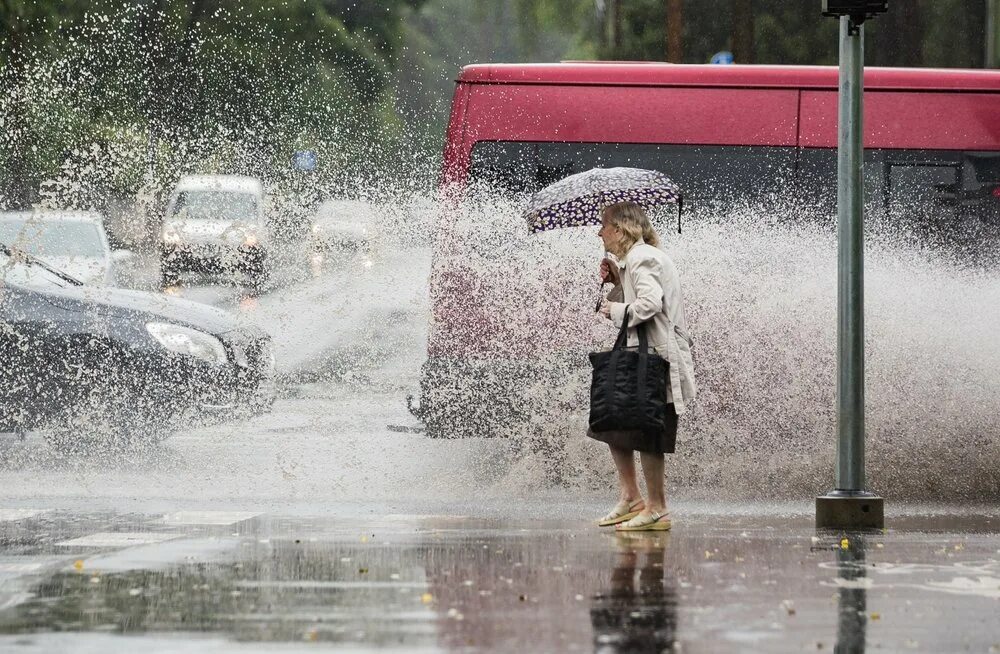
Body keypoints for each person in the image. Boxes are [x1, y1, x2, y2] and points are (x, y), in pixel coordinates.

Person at [590, 201, 696, 532]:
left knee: (649, 431)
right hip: (640, 355)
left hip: (655, 359)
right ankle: (631, 498)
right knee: (612, 422)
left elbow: (649, 304)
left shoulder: (643, 257)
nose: (600, 233)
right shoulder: (634, 261)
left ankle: (657, 508)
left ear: (620, 230)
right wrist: (617, 280)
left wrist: (613, 311)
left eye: (604, 227)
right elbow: (638, 296)